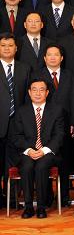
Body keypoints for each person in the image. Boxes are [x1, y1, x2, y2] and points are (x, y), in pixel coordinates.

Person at [9, 78, 64, 219]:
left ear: (47, 92)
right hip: (26, 151)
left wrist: (44, 150)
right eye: (34, 89)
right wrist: (28, 150)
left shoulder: (56, 111)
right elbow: (16, 136)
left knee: (41, 166)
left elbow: (59, 135)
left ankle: (41, 206)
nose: (38, 93)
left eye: (41, 90)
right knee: (27, 166)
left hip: (47, 152)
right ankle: (28, 207)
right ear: (29, 92)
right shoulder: (21, 111)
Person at [33, 44, 74, 206]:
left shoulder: (70, 75)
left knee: (63, 161)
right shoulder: (37, 75)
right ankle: (47, 196)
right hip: (44, 125)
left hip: (65, 125)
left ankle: (64, 196)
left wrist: (73, 122)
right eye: (49, 55)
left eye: (56, 55)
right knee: (44, 160)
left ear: (61, 58)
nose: (52, 57)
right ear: (44, 58)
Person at [0, 33, 31, 206]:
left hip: (17, 124)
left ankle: (11, 199)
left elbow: (27, 98)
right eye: (3, 45)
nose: (7, 49)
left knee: (13, 162)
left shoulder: (24, 68)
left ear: (16, 48)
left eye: (10, 45)